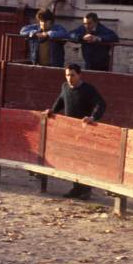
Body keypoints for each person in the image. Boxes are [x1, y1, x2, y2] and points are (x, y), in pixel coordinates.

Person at [47, 63, 106, 200]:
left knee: (83, 159)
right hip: (70, 130)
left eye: (72, 75)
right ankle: (76, 188)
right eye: (67, 75)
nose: (69, 78)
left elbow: (101, 104)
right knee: (72, 159)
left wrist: (92, 117)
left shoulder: (88, 89)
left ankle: (85, 190)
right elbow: (61, 100)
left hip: (84, 130)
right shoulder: (65, 87)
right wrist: (52, 110)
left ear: (80, 75)